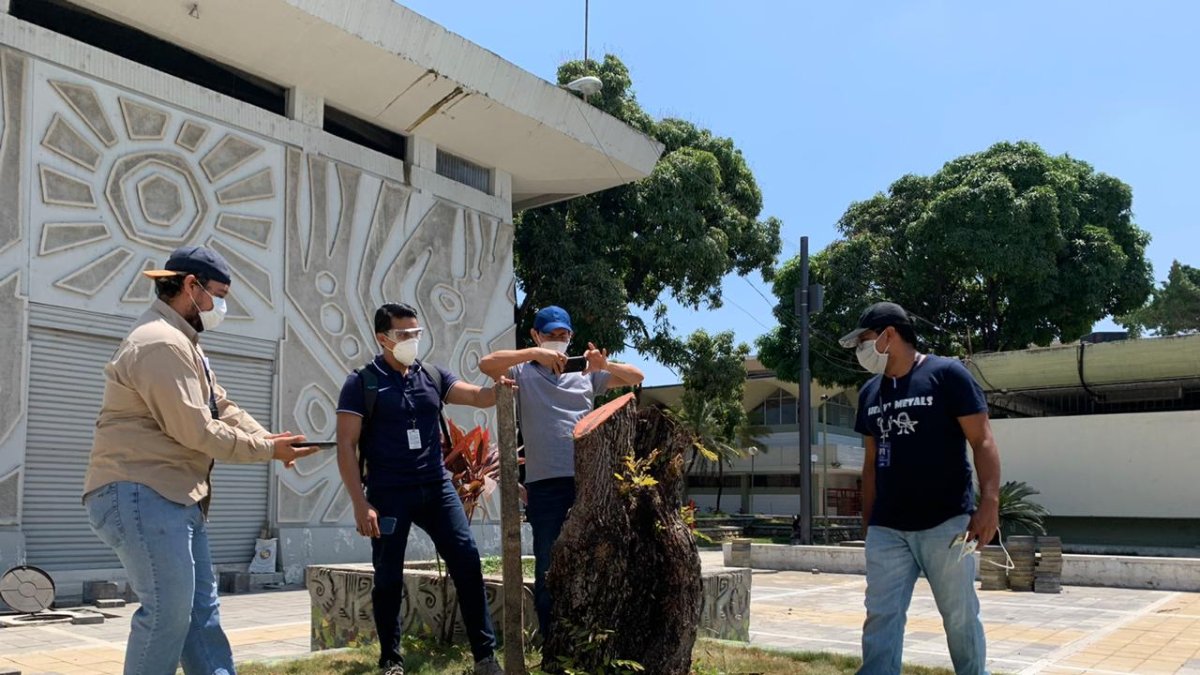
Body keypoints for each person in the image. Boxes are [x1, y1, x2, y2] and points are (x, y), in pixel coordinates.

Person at [82, 245, 320, 675]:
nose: (221, 306)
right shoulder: (159, 343)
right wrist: (269, 450)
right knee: (168, 614)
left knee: (199, 614)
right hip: (141, 491)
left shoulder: (183, 342)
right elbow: (196, 430)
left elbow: (221, 406)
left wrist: (271, 439)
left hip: (173, 496)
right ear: (190, 286)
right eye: (219, 293)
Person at [335, 302, 506, 675]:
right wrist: (360, 503)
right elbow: (346, 445)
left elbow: (479, 397)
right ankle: (391, 661)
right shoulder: (361, 382)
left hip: (436, 486)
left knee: (466, 558)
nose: (412, 340)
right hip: (388, 491)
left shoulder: (432, 374)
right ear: (383, 338)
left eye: (416, 334)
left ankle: (485, 657)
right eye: (403, 335)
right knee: (388, 577)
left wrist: (501, 385)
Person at [839, 301, 1001, 675]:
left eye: (864, 341)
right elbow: (870, 463)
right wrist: (869, 524)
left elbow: (983, 441)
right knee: (881, 617)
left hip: (945, 524)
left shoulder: (947, 374)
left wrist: (989, 503)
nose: (862, 352)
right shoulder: (869, 394)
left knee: (960, 617)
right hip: (888, 528)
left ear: (888, 335)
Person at [479, 305, 644, 641]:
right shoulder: (523, 372)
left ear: (571, 337)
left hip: (589, 481)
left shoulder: (585, 372)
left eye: (563, 335)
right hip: (544, 486)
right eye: (550, 335)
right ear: (536, 336)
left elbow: (637, 378)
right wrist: (534, 353)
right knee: (547, 565)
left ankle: (591, 637)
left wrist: (605, 365)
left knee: (595, 558)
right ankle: (552, 640)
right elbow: (487, 364)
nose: (558, 341)